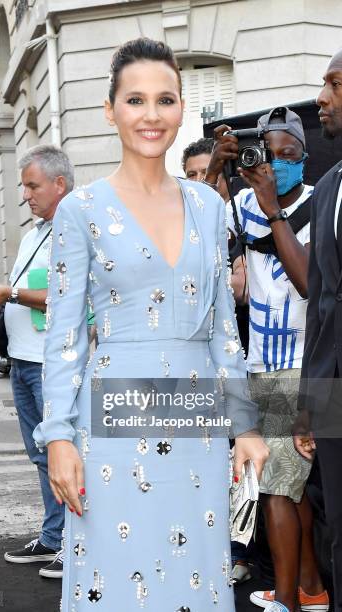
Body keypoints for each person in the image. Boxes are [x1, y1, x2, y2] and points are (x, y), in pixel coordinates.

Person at [33, 37, 268, 612]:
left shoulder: (210, 207)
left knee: (195, 575)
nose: (151, 115)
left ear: (182, 108)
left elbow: (222, 332)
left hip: (196, 420)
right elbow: (63, 338)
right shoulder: (80, 210)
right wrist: (59, 436)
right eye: (135, 100)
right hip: (113, 421)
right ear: (110, 110)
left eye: (165, 100)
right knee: (117, 577)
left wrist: (247, 425)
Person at [205, 108, 329, 612]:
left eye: (288, 155)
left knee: (278, 488)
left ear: (305, 159)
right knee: (288, 486)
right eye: (267, 155)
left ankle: (286, 600)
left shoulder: (322, 204)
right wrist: (216, 167)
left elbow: (308, 282)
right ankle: (311, 589)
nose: (275, 164)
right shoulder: (242, 203)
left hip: (306, 365)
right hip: (261, 363)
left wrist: (270, 203)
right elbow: (195, 219)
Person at [0, 145, 73, 579]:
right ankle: (54, 535)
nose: (26, 194)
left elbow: (66, 298)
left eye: (32, 185)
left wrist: (8, 293)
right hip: (25, 362)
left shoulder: (76, 230)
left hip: (55, 365)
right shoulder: (36, 233)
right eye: (24, 186)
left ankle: (76, 545)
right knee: (40, 454)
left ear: (59, 184)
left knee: (65, 453)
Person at [294, 48, 342, 612]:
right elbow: (322, 303)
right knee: (335, 526)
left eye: (334, 84)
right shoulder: (328, 185)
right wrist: (308, 402)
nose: (322, 99)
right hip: (332, 393)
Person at [182, 136, 230, 201]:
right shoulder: (181, 209)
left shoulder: (244, 205)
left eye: (207, 172)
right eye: (192, 175)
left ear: (227, 173)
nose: (198, 180)